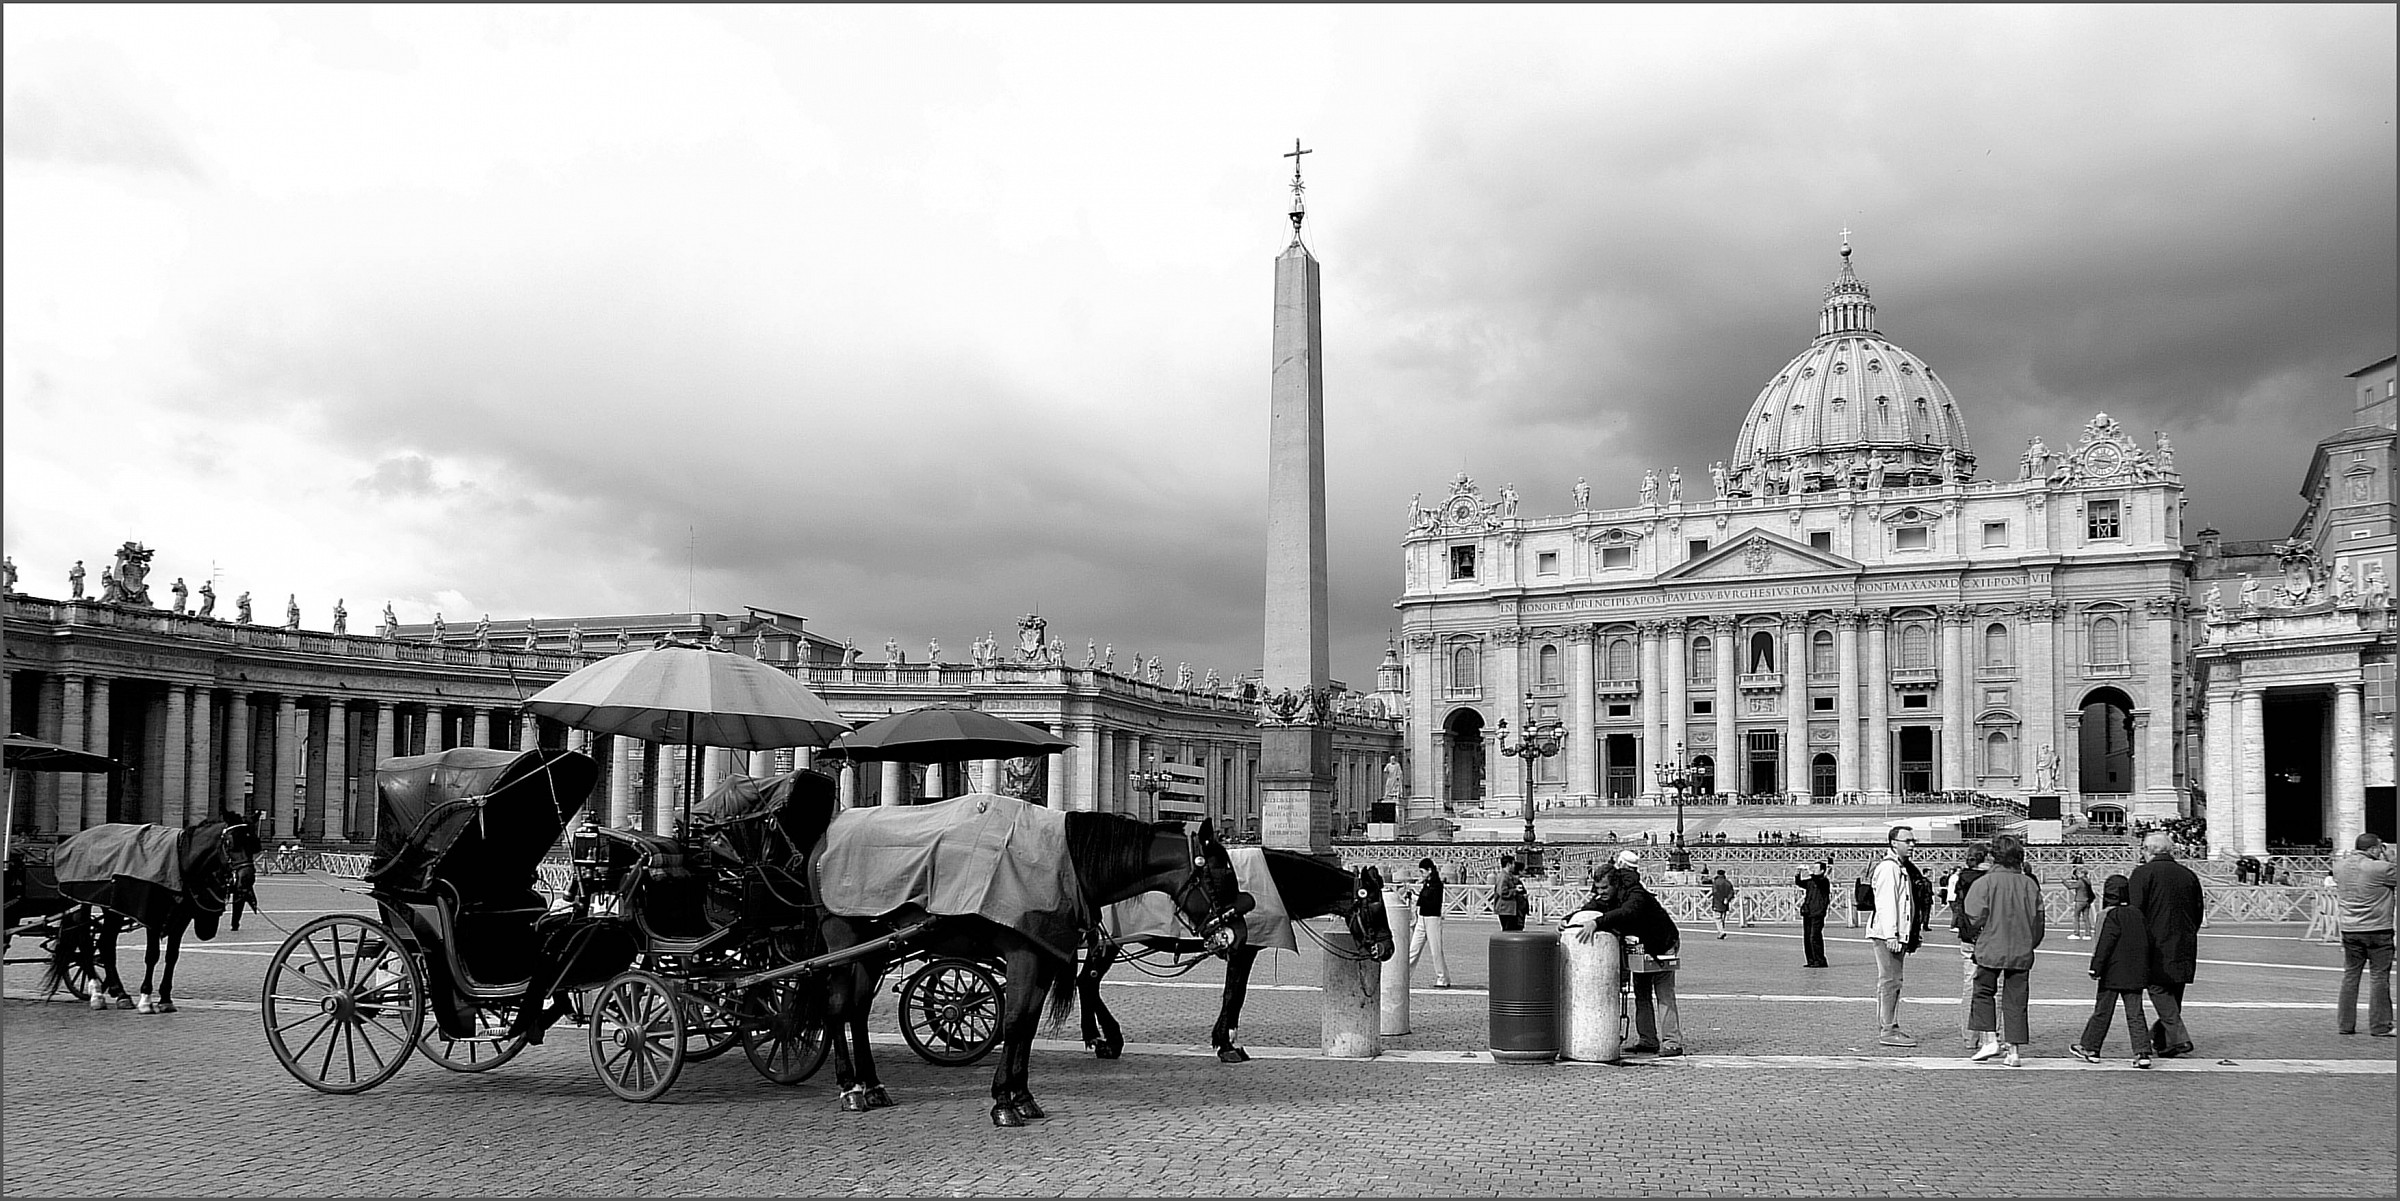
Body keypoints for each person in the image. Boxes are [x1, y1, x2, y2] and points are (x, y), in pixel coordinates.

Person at [1562, 851, 1684, 1057]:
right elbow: (1591, 906)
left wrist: (1597, 922)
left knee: (1664, 994)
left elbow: (1629, 912)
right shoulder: (1606, 896)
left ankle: (1672, 1042)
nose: (1600, 893)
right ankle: (1647, 1040)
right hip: (1642, 947)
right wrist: (1569, 919)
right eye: (1597, 888)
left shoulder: (1635, 893)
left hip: (1663, 943)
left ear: (1615, 884)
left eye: (1604, 888)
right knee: (1642, 994)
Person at [1961, 834, 2045, 1066]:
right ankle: (2014, 1050)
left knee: (1983, 992)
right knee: (2016, 999)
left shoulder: (1985, 883)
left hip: (1991, 946)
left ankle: (1990, 1039)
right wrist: (2030, 943)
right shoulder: (2029, 884)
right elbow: (2038, 920)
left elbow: (1974, 915)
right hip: (2021, 948)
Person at [2128, 830, 2204, 1058]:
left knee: (2158, 987)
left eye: (2142, 848)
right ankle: (2164, 1041)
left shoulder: (2142, 874)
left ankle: (2179, 1038)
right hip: (2185, 941)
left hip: (2155, 943)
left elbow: (2135, 911)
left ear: (2149, 851)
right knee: (2174, 990)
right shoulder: (2188, 874)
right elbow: (2198, 910)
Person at [2070, 873, 2154, 1068]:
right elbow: (2148, 942)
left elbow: (2104, 944)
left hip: (2112, 972)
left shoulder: (2110, 915)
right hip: (2135, 971)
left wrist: (2095, 968)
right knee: (2136, 1013)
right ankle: (2142, 1053)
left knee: (2103, 1011)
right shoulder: (2138, 913)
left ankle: (2090, 1048)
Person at [1867, 826, 1930, 1047]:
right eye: (1907, 841)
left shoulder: (1902, 868)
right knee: (1890, 981)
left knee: (1892, 980)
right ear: (1894, 843)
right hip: (1888, 935)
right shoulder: (1889, 868)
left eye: (1913, 840)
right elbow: (1886, 904)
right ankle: (1888, 1029)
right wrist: (1892, 935)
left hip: (1896, 933)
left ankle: (1888, 1026)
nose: (1912, 845)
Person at [2329, 833, 2397, 1037]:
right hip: (2377, 929)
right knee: (2378, 977)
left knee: (2350, 976)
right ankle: (2380, 1025)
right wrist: (2390, 857)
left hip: (2350, 929)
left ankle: (2345, 1024)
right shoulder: (2380, 867)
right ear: (2375, 849)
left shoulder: (2338, 866)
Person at [1948, 841, 1992, 1050]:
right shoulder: (1990, 879)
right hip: (1988, 936)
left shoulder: (1960, 877)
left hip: (1967, 935)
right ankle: (1988, 1037)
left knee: (1969, 984)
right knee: (1992, 987)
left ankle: (1969, 1036)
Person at [1405, 857, 1450, 988]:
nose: (1421, 874)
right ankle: (1404, 975)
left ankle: (1442, 978)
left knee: (1436, 950)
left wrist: (1415, 898)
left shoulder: (1437, 885)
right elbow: (1424, 898)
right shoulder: (1428, 883)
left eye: (1422, 871)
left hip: (1432, 919)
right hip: (1422, 919)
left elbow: (1433, 903)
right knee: (1413, 949)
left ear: (1429, 870)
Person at [1794, 859, 1832, 967]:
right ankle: (1810, 960)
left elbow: (1818, 881)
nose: (1814, 870)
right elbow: (1800, 883)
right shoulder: (1811, 881)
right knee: (1807, 937)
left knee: (1815, 936)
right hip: (1808, 911)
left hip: (1818, 912)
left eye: (1816, 868)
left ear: (1822, 870)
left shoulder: (1824, 881)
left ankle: (1820, 960)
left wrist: (1809, 871)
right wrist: (1798, 873)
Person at [1489, 854, 1528, 932]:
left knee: (1512, 931)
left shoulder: (1507, 876)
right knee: (1509, 931)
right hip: (1506, 910)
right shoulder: (1503, 877)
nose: (1514, 866)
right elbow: (1503, 892)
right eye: (1513, 864)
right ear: (1508, 865)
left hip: (1510, 910)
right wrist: (1515, 890)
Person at [2065, 855, 2096, 940]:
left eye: (2078, 873)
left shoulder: (2080, 882)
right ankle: (2088, 934)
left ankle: (2076, 933)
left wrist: (2064, 881)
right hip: (2087, 901)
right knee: (2086, 918)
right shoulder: (2088, 881)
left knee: (2076, 917)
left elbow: (2070, 887)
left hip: (2079, 901)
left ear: (2082, 874)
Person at [1708, 869, 1736, 939]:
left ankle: (1721, 932)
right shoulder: (1728, 882)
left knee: (1717, 918)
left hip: (1717, 902)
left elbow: (1715, 892)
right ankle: (1722, 931)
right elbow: (1731, 892)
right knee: (1723, 918)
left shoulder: (1716, 882)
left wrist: (1718, 899)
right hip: (1725, 903)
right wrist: (1727, 899)